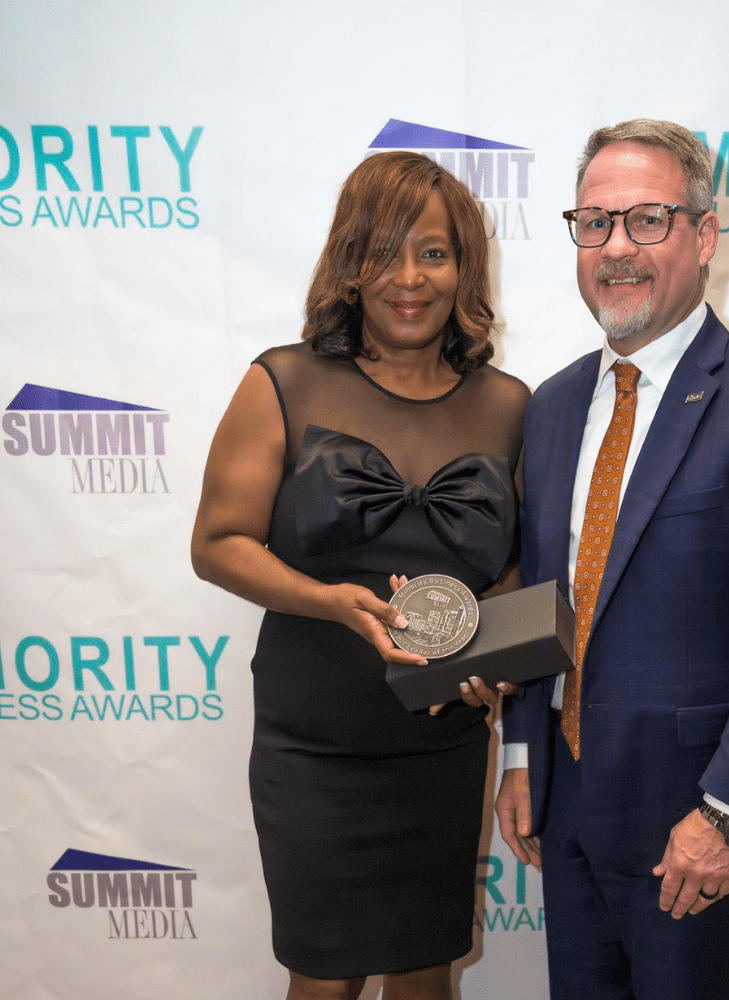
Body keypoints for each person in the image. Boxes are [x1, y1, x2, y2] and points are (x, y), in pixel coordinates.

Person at [496, 119, 729, 1000]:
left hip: (691, 830)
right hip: (566, 808)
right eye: (595, 223)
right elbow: (542, 598)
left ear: (704, 236)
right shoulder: (551, 406)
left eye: (648, 221)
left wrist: (724, 819)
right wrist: (518, 755)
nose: (617, 249)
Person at [192, 151, 529, 1000]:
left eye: (433, 253)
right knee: (324, 981)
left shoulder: (510, 404)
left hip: (442, 745)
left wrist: (499, 655)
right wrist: (327, 602)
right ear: (350, 264)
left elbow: (520, 567)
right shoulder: (286, 382)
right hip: (315, 748)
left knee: (427, 978)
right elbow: (218, 541)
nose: (408, 278)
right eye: (383, 253)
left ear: (463, 269)